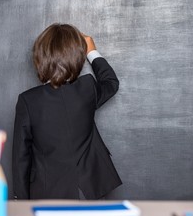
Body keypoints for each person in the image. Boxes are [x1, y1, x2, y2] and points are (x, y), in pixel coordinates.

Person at [12, 23, 122, 200]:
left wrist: (21, 199)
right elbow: (110, 82)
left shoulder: (28, 101)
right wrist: (91, 51)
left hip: (47, 192)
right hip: (89, 189)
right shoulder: (87, 88)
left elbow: (21, 158)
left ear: (40, 58)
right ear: (77, 57)